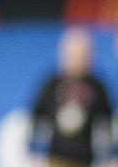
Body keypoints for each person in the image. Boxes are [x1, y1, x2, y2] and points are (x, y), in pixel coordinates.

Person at [30, 28, 113, 167]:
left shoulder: (97, 86)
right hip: (56, 157)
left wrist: (109, 154)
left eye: (82, 54)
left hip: (85, 158)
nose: (77, 59)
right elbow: (37, 117)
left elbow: (106, 122)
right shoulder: (52, 84)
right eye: (73, 54)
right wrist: (33, 148)